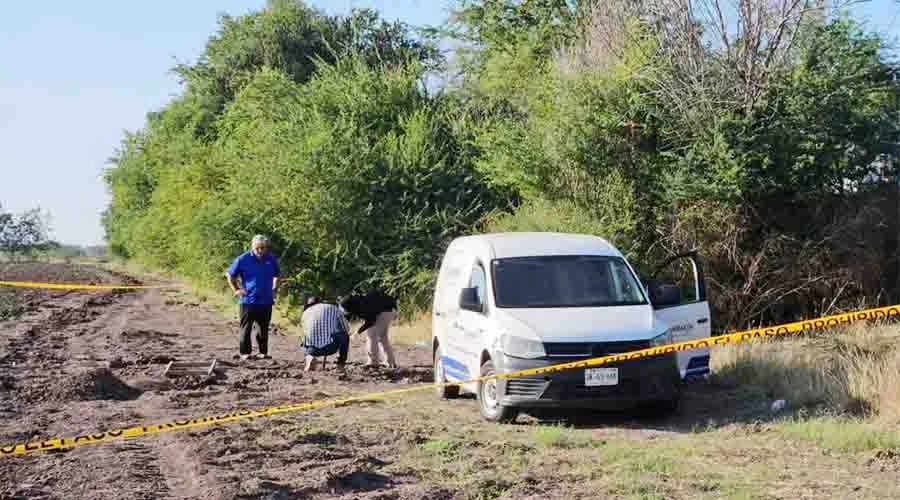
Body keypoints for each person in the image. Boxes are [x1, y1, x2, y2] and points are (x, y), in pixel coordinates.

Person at [226, 235, 280, 360]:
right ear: (252, 247)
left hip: (266, 300)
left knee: (263, 328)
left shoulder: (270, 259)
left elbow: (277, 274)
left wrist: (274, 288)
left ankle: (263, 352)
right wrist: (237, 290)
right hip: (248, 300)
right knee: (246, 328)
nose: (261, 251)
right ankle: (245, 353)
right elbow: (230, 275)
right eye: (258, 248)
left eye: (263, 248)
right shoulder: (243, 259)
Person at [340, 288, 398, 369]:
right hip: (390, 311)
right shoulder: (360, 300)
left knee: (371, 336)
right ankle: (390, 362)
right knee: (383, 338)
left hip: (383, 313)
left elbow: (371, 320)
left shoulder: (362, 306)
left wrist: (358, 332)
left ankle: (373, 362)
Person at [300, 295, 351, 371]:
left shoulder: (305, 313)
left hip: (311, 349)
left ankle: (309, 357)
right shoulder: (333, 308)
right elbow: (346, 328)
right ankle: (340, 365)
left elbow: (305, 331)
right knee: (344, 336)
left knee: (304, 338)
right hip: (329, 347)